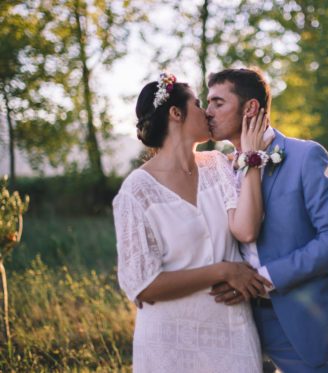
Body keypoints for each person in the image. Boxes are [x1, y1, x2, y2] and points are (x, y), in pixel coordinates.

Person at [112, 72, 274, 373]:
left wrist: (251, 158)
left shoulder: (217, 165)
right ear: (176, 113)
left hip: (233, 335)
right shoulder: (136, 192)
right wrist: (223, 270)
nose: (207, 112)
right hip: (169, 346)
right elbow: (142, 285)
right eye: (199, 104)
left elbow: (248, 228)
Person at [206, 68, 328, 372]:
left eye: (217, 103)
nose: (206, 112)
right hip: (238, 321)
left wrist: (265, 279)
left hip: (302, 318)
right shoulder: (219, 169)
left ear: (249, 108)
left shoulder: (305, 156)